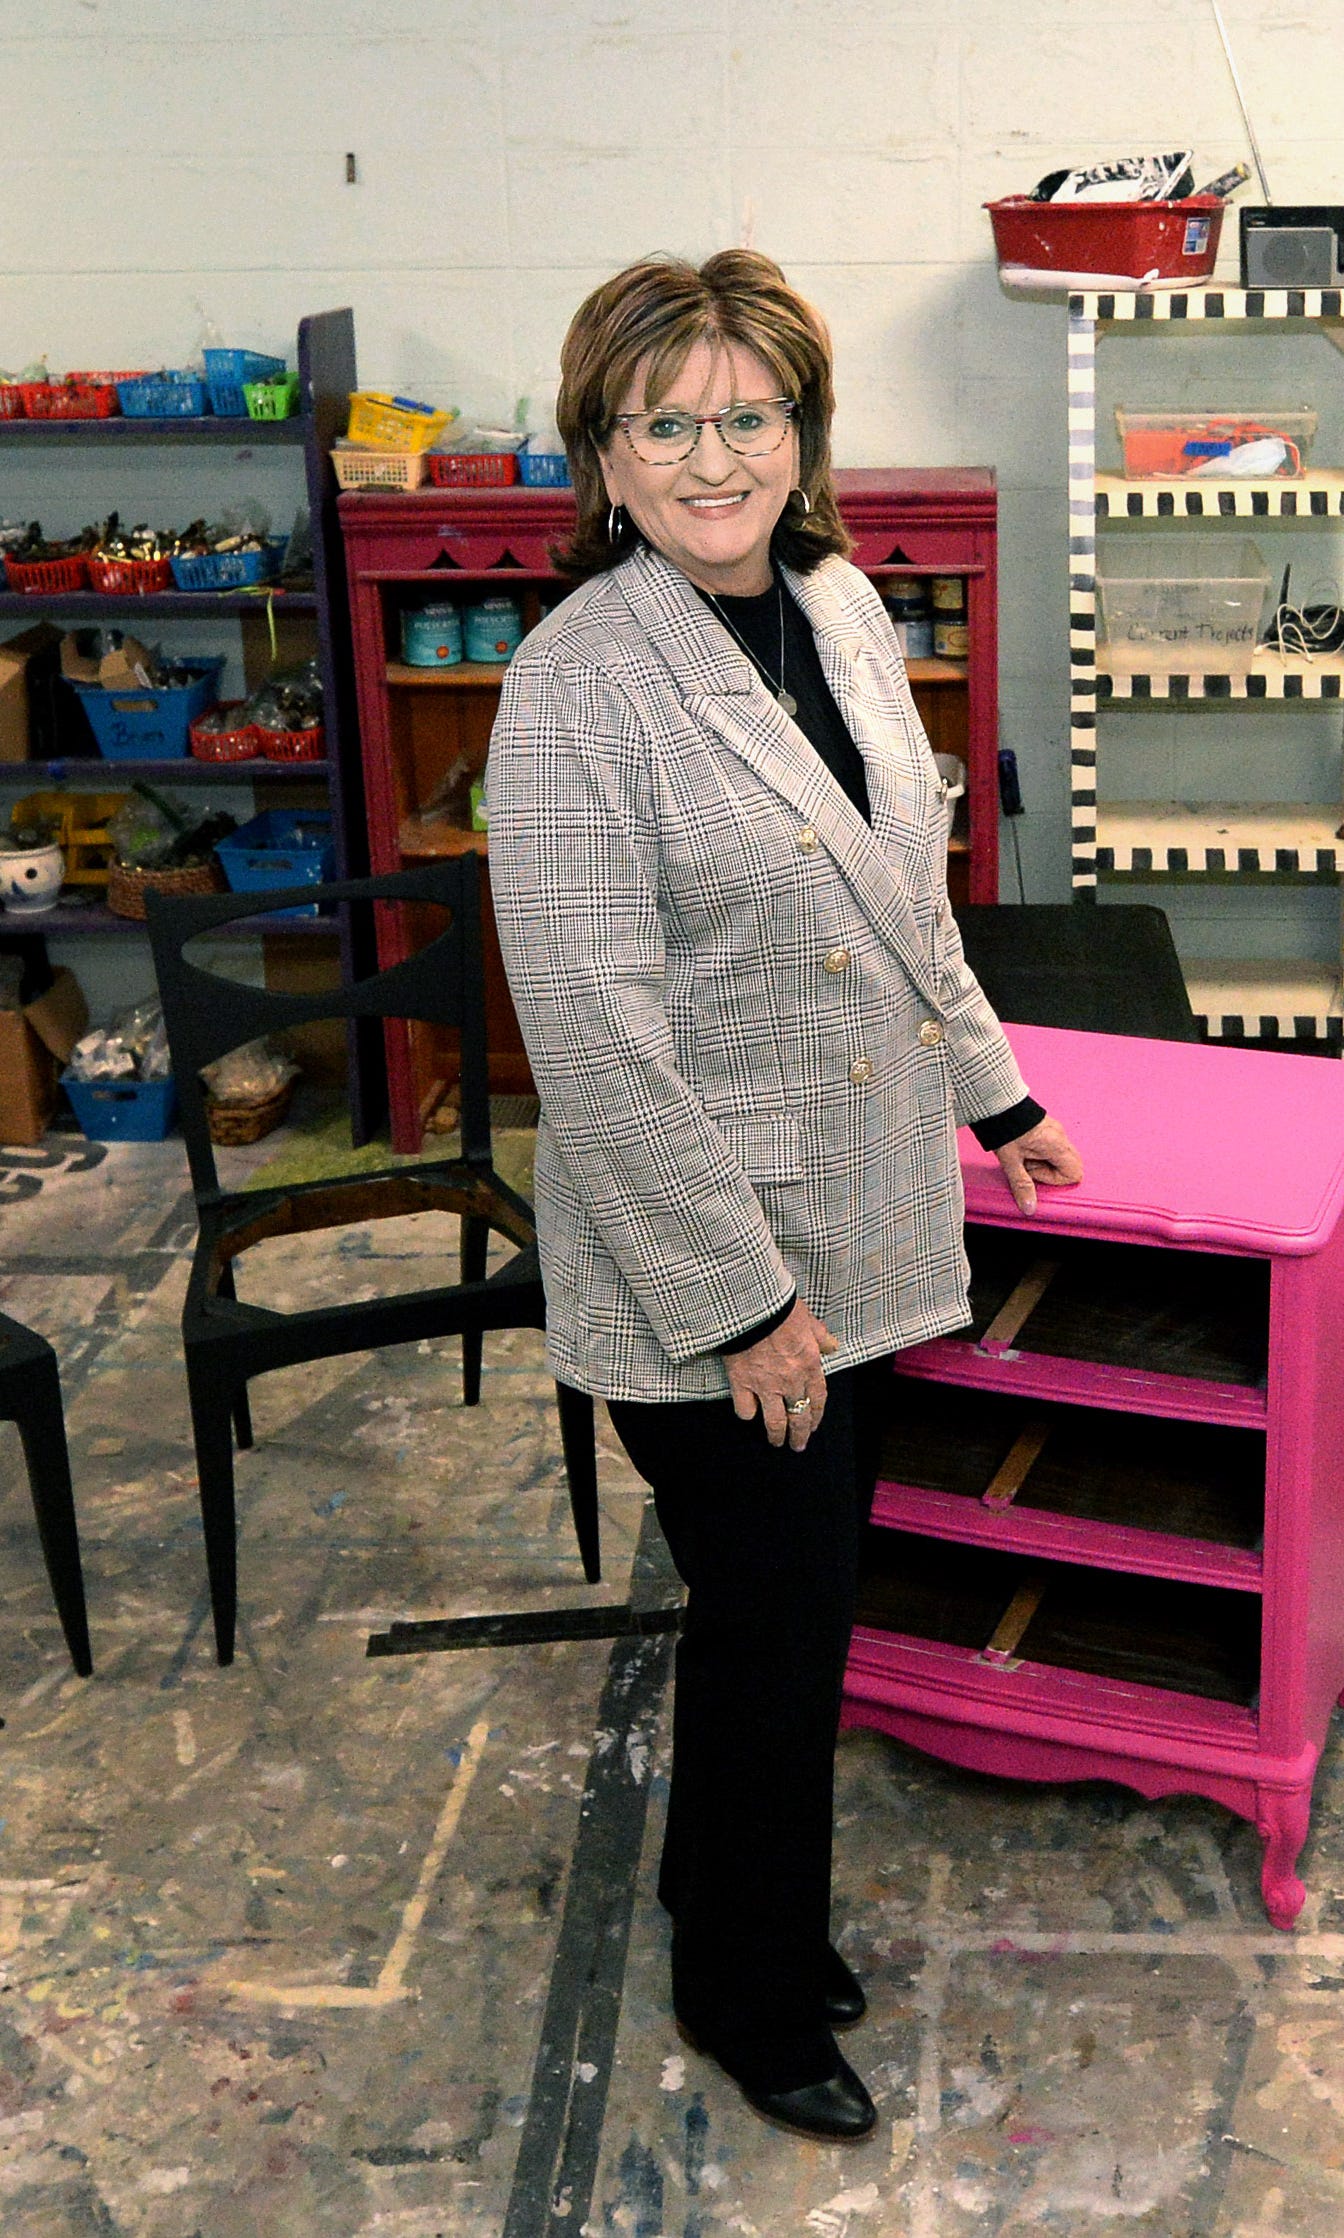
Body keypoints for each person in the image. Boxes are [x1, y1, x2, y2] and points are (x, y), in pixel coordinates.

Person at [485, 250, 1082, 2144]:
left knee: (803, 1603)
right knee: (776, 1618)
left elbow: (903, 894)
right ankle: (744, 1980)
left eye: (749, 414)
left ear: (803, 435)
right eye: (667, 420)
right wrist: (742, 1303)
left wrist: (1002, 1097)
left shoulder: (831, 600)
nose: (714, 453)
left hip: (878, 1205)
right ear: (603, 449)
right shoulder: (577, 681)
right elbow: (588, 1037)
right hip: (712, 1256)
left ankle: (717, 1899)